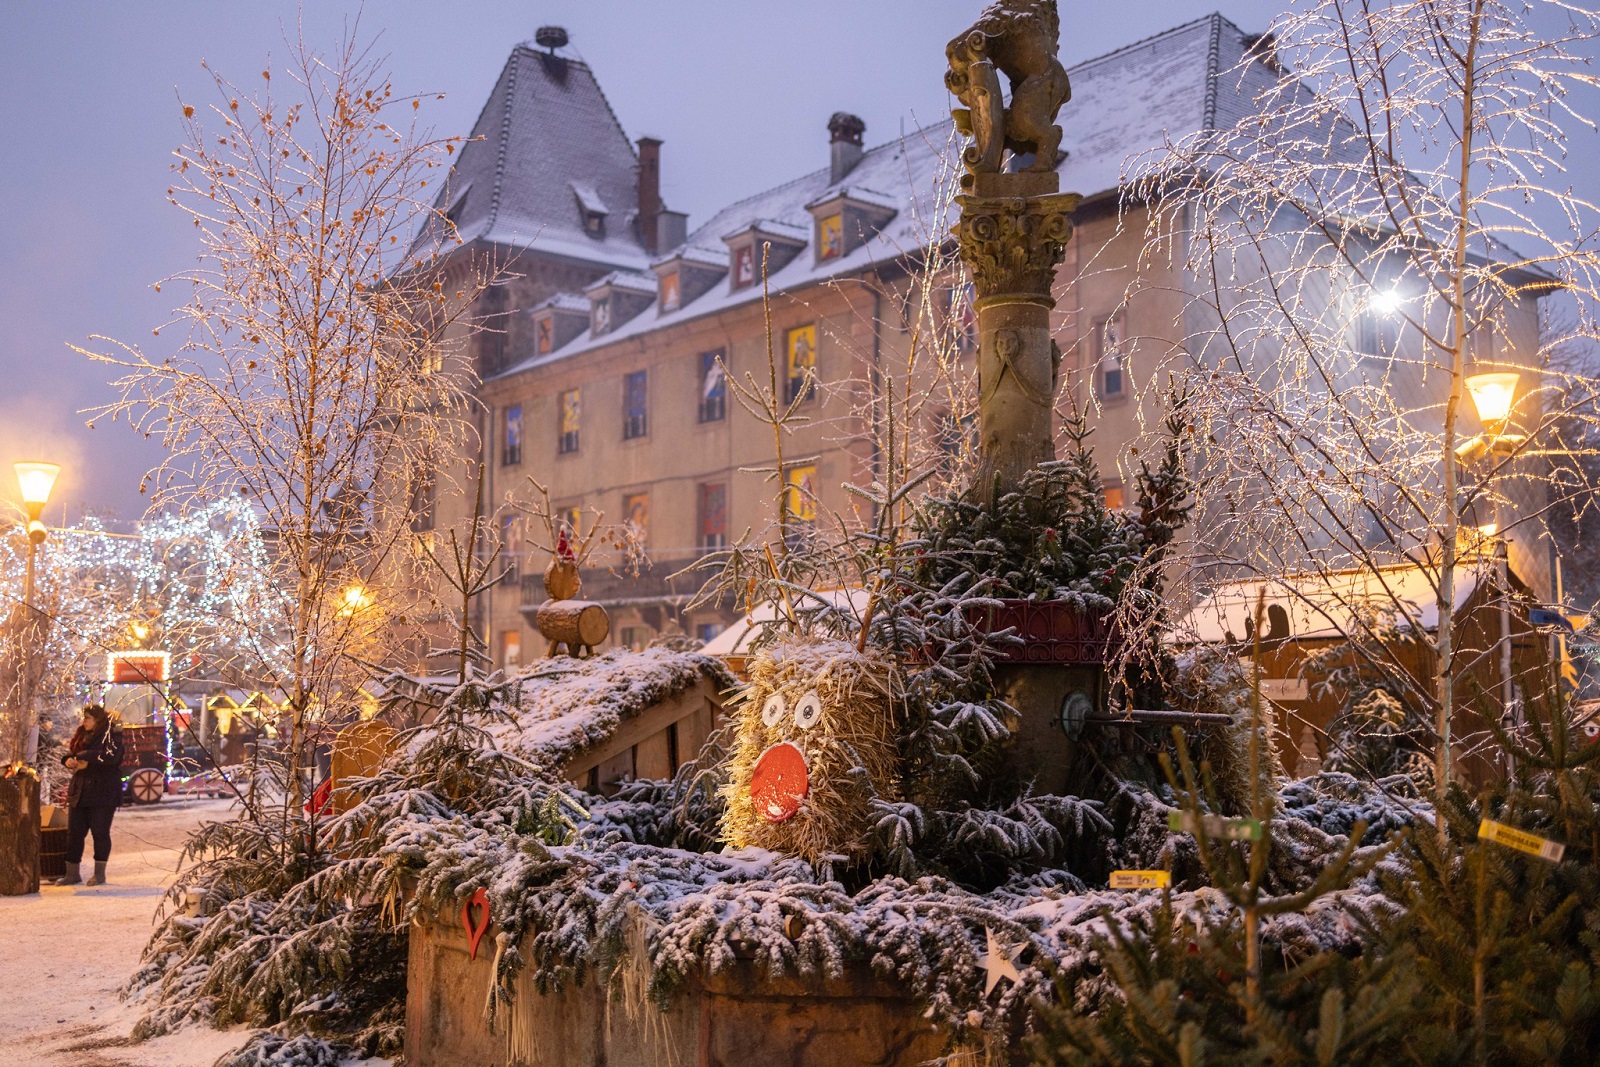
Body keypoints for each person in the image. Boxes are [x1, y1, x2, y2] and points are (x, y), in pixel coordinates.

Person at [55, 704, 124, 886]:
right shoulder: (82, 735)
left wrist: (86, 755)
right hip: (80, 791)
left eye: (88, 718)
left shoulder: (112, 735)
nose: (84, 721)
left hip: (103, 792)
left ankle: (99, 874)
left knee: (100, 833)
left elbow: (111, 756)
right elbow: (72, 753)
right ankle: (72, 873)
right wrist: (67, 760)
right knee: (74, 833)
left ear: (98, 720)